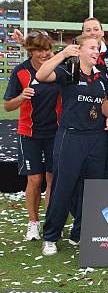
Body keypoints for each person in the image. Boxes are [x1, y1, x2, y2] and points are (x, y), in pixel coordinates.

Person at [35, 35, 108, 255]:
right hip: (71, 137)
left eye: (97, 48)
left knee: (91, 188)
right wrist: (62, 54)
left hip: (96, 139)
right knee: (63, 187)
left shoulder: (100, 76)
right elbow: (41, 75)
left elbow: (102, 100)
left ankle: (79, 233)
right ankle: (51, 236)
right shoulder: (68, 71)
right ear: (78, 50)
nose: (96, 51)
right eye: (91, 48)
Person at [3, 31, 59, 241]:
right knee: (34, 179)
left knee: (52, 179)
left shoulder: (58, 65)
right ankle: (33, 223)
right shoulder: (20, 72)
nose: (44, 54)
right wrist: (21, 96)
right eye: (38, 50)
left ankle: (51, 224)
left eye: (47, 49)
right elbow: (8, 105)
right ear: (30, 51)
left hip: (55, 132)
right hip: (29, 133)